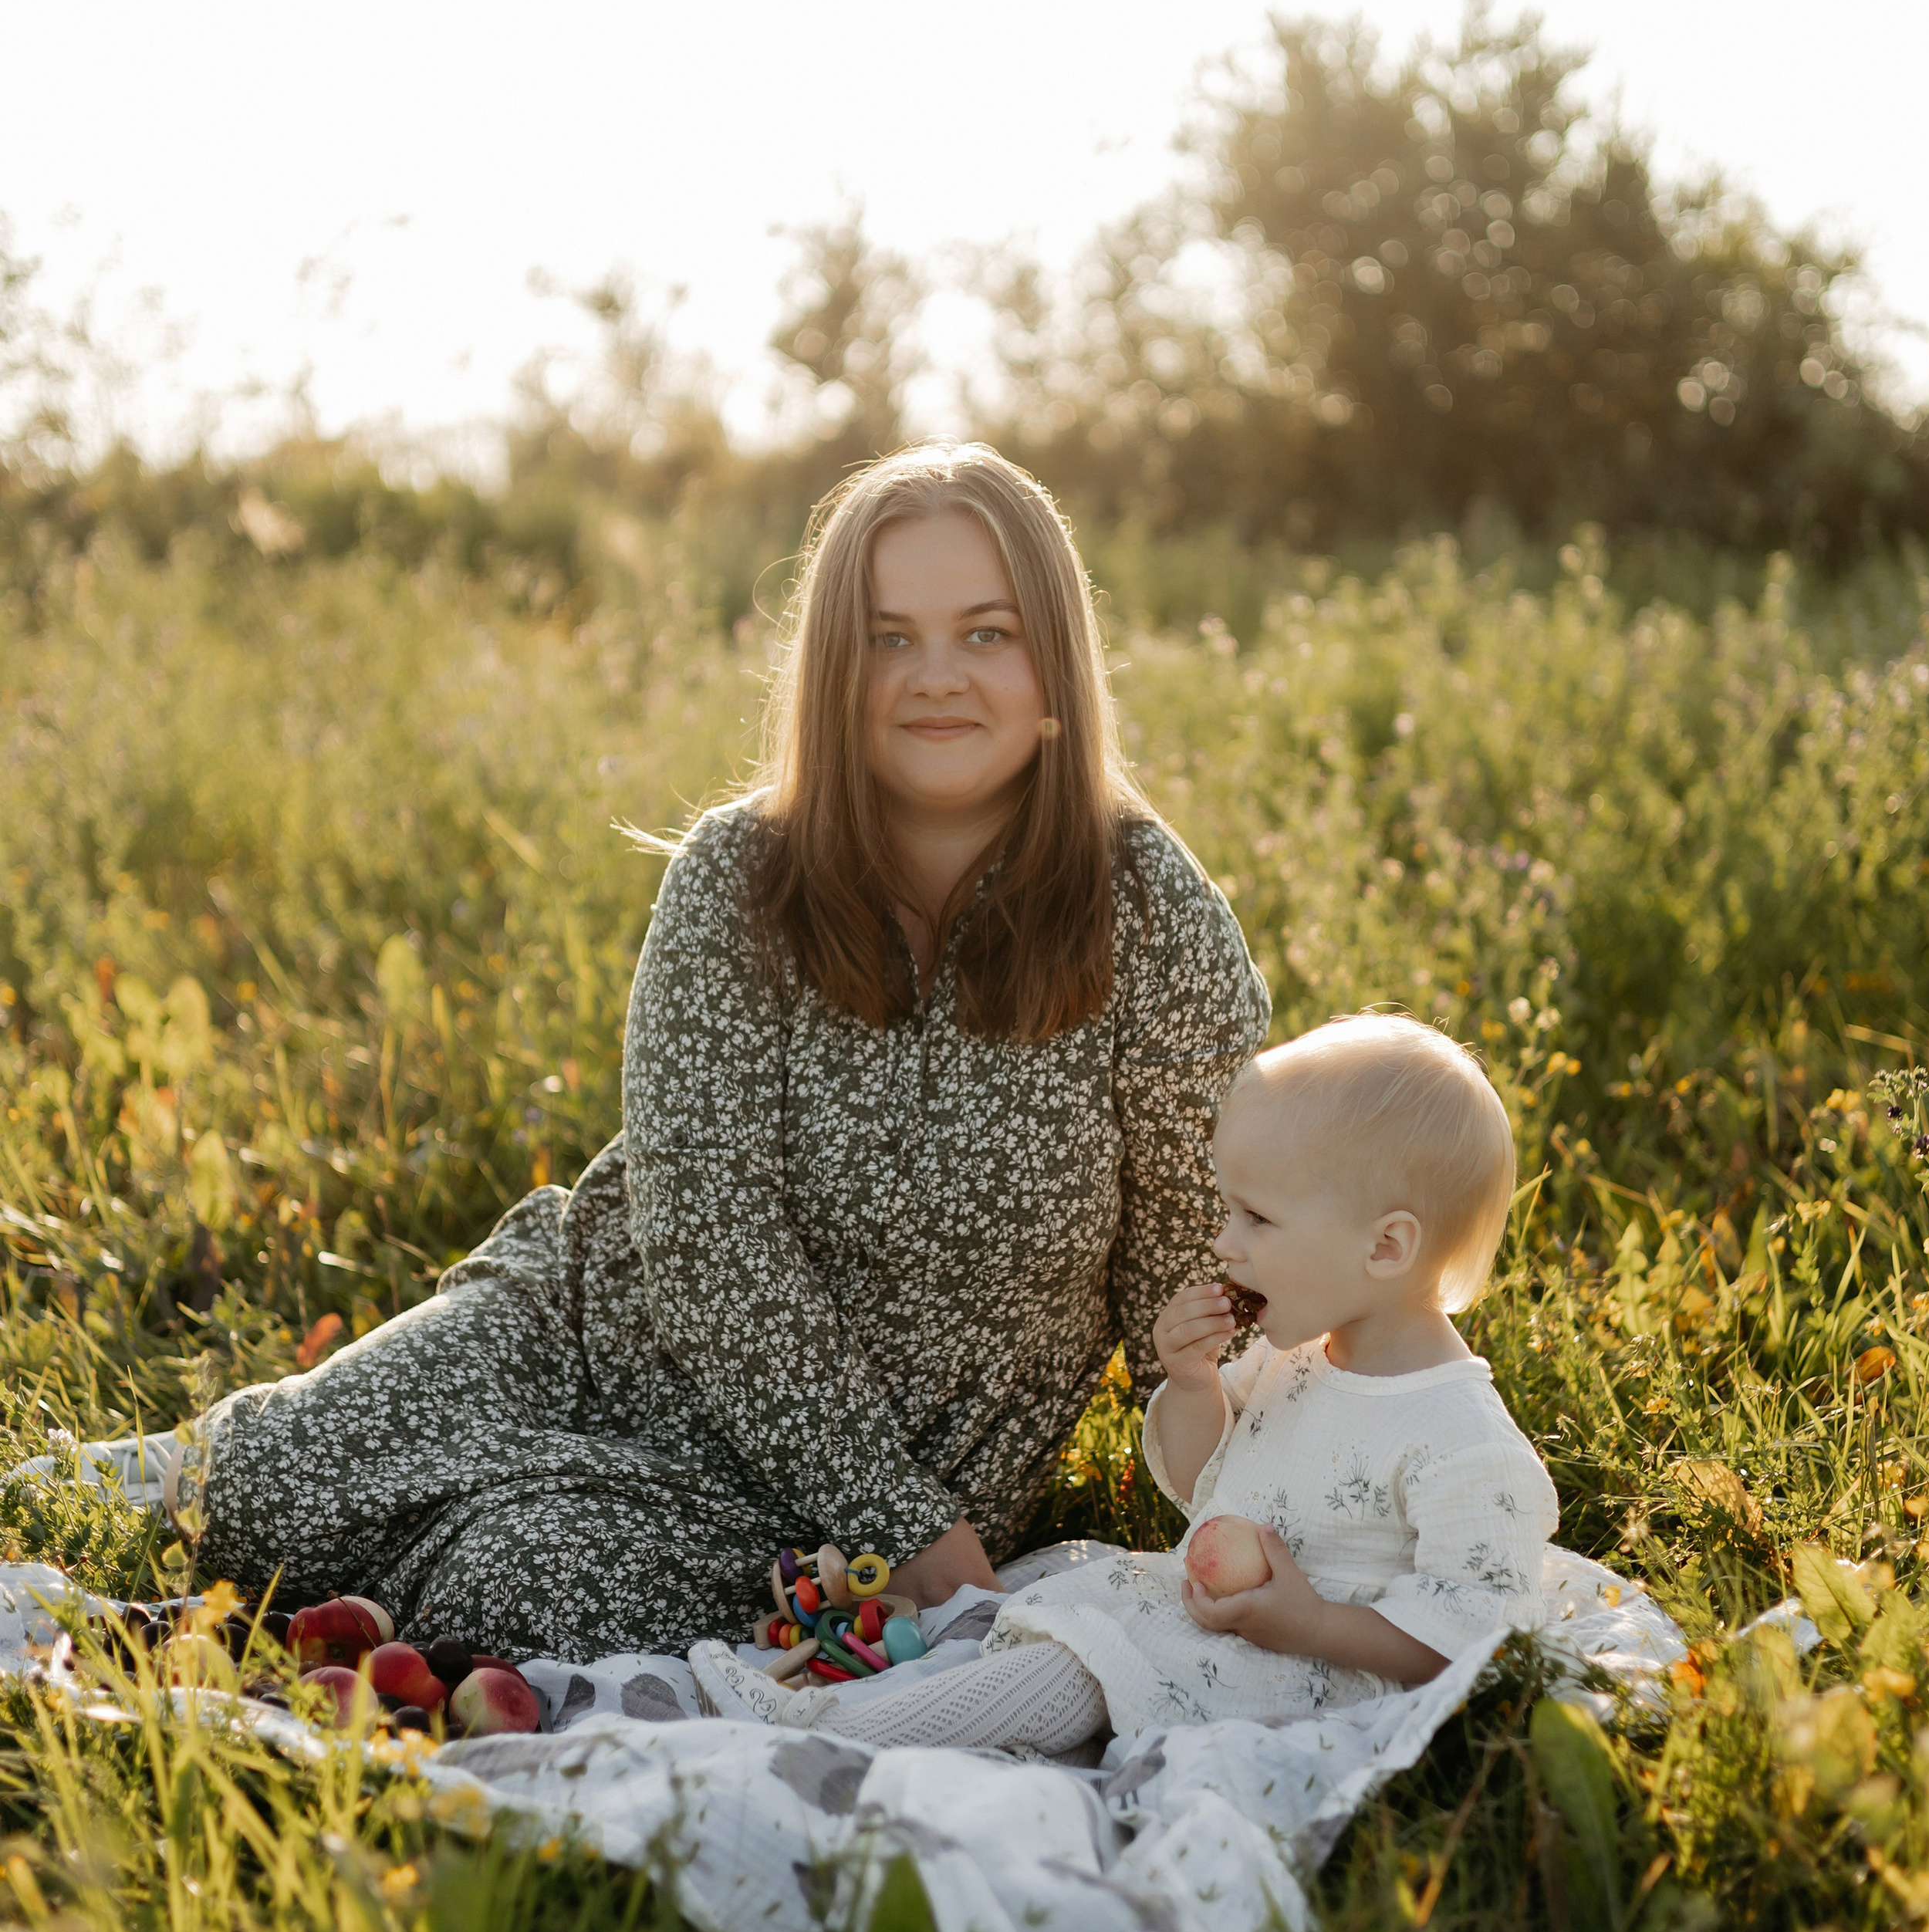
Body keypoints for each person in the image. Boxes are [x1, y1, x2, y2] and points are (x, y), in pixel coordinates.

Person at [184, 445, 1269, 1660]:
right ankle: (202, 1484)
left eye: (987, 633)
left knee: (532, 1594)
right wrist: (906, 1529)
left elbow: (1202, 1265)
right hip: (600, 1340)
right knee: (248, 1502)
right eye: (888, 639)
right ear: (834, 667)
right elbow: (704, 1230)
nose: (936, 678)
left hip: (870, 1485)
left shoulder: (1152, 913)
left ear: (1055, 660)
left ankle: (442, 1574)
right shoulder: (739, 875)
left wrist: (1280, 1484)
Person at [690, 1011, 1559, 1751]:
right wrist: (1192, 1384)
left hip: (1302, 1676)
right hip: (1221, 1626)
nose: (1224, 1243)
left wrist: (1309, 1624)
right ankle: (893, 1669)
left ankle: (834, 1728)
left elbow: (1472, 1636)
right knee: (1054, 1577)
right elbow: (1197, 1481)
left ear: (1386, 1247)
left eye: (1257, 1218)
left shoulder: (1462, 1441)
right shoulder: (1297, 1358)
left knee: (1079, 1664)